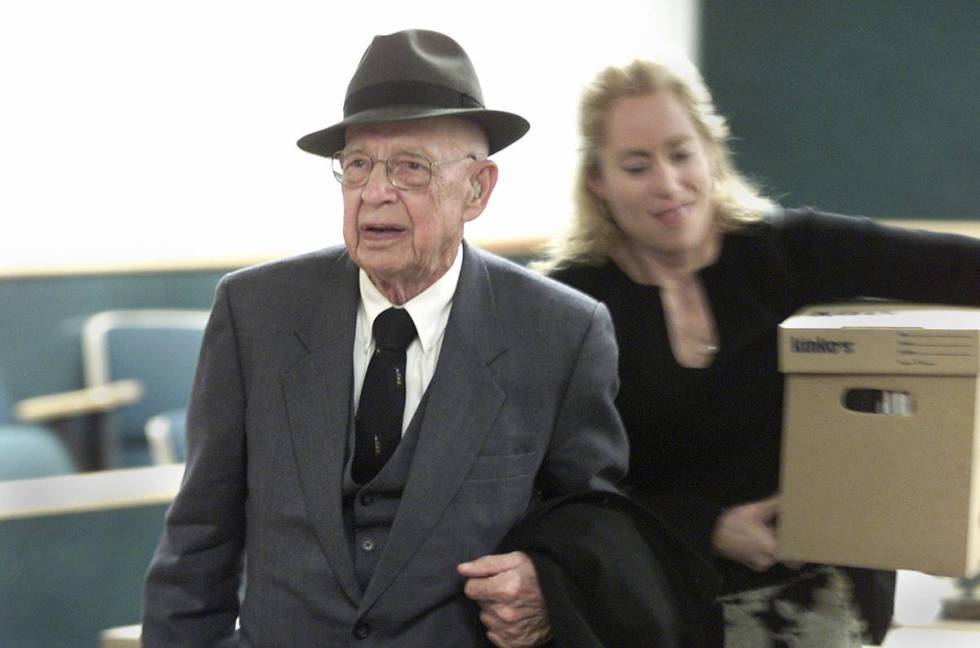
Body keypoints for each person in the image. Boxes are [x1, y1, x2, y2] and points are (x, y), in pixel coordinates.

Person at [142, 29, 630, 648]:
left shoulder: (562, 333)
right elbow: (198, 540)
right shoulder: (254, 312)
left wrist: (548, 581)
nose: (375, 192)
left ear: (477, 189)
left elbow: (593, 527)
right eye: (357, 166)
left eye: (410, 168)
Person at [535, 57, 980, 648]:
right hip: (660, 596)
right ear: (598, 181)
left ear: (711, 152)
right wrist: (707, 528)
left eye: (681, 153)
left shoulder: (788, 250)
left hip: (828, 588)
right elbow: (564, 486)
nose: (667, 184)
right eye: (637, 166)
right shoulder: (568, 303)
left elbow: (958, 269)